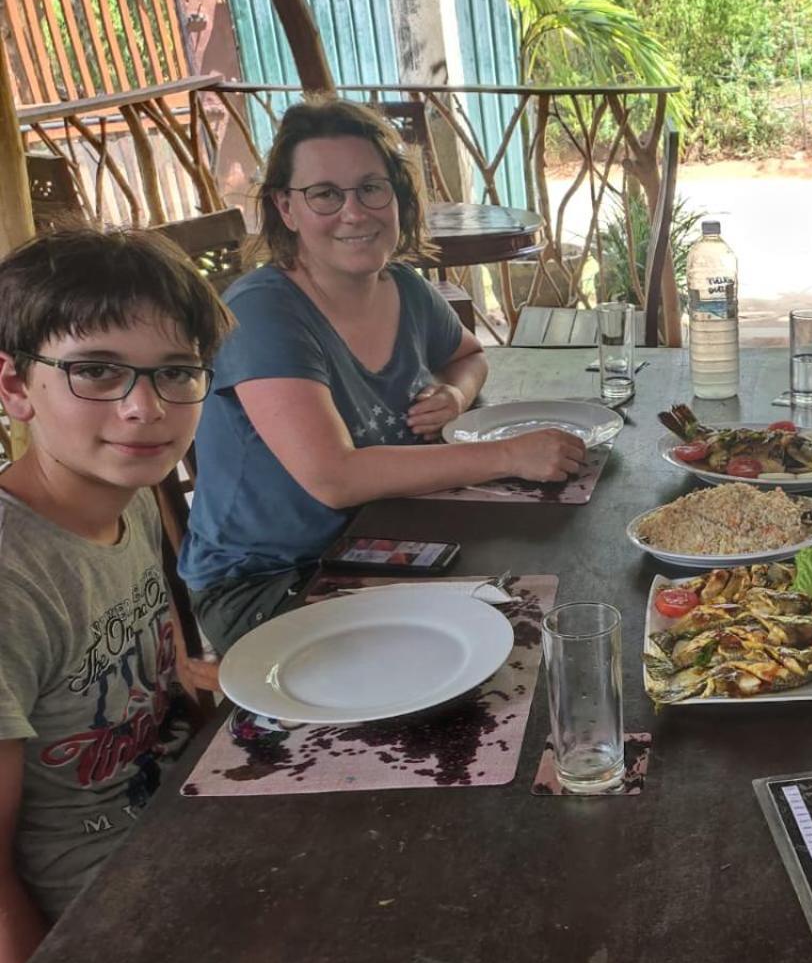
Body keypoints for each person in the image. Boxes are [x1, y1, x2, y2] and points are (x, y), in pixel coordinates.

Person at [179, 98, 586, 652]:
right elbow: (335, 477)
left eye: (372, 187)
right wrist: (509, 454)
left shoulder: (405, 287)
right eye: (325, 193)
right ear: (286, 208)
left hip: (388, 538)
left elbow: (469, 355)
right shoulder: (264, 313)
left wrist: (454, 393)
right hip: (271, 581)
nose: (355, 212)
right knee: (504, 642)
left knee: (558, 595)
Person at [0, 228, 232, 963]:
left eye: (175, 372)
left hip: (188, 826)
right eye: (96, 371)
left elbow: (167, 688)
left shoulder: (126, 498)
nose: (144, 409)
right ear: (12, 387)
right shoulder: (14, 577)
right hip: (104, 922)